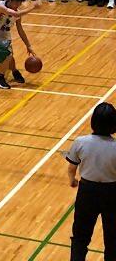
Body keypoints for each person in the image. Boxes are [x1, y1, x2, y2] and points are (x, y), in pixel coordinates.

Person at [65, 102, 116, 261]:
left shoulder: (80, 142)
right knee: (113, 239)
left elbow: (71, 168)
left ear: (93, 121)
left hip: (87, 192)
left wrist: (72, 181)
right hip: (112, 194)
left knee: (80, 236)